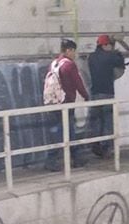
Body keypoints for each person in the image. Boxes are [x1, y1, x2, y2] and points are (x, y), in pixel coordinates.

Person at [84, 34, 129, 159]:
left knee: (96, 121)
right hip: (107, 93)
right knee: (108, 122)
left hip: (94, 93)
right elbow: (121, 61)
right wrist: (118, 46)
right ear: (105, 45)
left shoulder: (92, 57)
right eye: (110, 45)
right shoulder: (111, 56)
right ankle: (106, 148)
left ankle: (95, 145)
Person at [45, 39, 90, 170]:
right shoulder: (69, 65)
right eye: (74, 51)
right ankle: (52, 160)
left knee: (67, 131)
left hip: (53, 102)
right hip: (66, 103)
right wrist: (86, 96)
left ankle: (76, 157)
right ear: (69, 50)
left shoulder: (54, 63)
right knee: (63, 132)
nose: (75, 54)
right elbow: (78, 83)